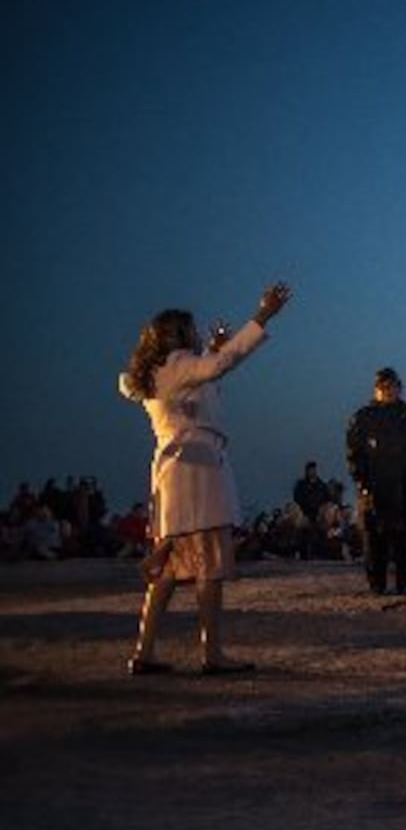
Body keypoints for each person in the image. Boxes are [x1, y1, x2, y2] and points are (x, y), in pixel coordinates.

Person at [118, 281, 292, 675]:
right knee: (208, 566)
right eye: (192, 330)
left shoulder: (157, 372)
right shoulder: (179, 365)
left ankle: (144, 652)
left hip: (172, 469)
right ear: (178, 335)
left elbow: (200, 384)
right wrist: (263, 314)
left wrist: (212, 349)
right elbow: (218, 367)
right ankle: (211, 654)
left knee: (166, 570)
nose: (197, 334)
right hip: (196, 472)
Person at [346, 366, 406, 595]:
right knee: (374, 540)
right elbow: (354, 453)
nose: (388, 391)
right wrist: (362, 481)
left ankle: (405, 582)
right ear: (376, 390)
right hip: (375, 488)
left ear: (399, 388)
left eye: (392, 386)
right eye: (383, 387)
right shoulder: (362, 418)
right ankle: (376, 583)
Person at [292, 461, 331, 559]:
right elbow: (297, 498)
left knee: (322, 529)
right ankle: (300, 552)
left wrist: (322, 511)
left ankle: (321, 554)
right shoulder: (301, 485)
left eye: (313, 470)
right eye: (310, 470)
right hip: (304, 512)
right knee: (302, 528)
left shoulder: (321, 485)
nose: (312, 472)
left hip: (319, 514)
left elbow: (327, 499)